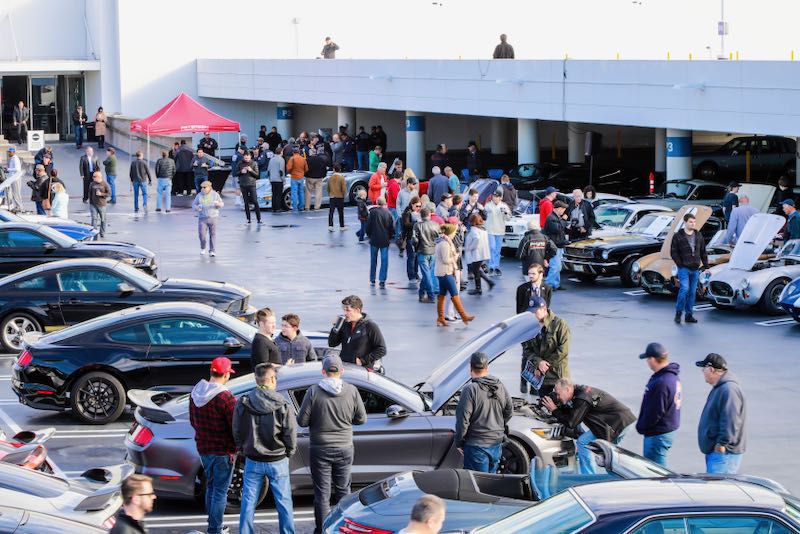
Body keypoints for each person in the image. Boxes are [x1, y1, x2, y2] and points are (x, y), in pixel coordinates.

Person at [297, 355, 367, 534]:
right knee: (343, 491)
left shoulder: (313, 391)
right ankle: (343, 529)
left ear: (323, 371)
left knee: (322, 494)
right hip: (344, 447)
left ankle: (322, 530)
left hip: (320, 448)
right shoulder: (351, 390)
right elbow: (362, 418)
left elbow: (302, 421)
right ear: (341, 371)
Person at [233, 363, 297, 534]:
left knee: (248, 501)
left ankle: (245, 532)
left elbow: (236, 429)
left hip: (253, 459)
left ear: (256, 379)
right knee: (283, 501)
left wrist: (241, 449)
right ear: (273, 379)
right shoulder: (282, 404)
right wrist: (289, 451)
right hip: (277, 459)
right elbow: (290, 431)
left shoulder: (244, 401)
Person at [542, 378, 636, 474]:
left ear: (567, 390)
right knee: (600, 450)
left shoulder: (582, 398)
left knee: (602, 451)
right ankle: (602, 474)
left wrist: (554, 410)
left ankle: (590, 476)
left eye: (558, 394)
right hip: (615, 421)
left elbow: (571, 423)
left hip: (619, 423)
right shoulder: (577, 393)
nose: (557, 397)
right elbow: (573, 414)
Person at [189, 357, 237, 534]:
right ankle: (215, 529)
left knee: (210, 486)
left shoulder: (195, 392)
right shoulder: (226, 398)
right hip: (223, 451)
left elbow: (193, 421)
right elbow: (235, 427)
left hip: (203, 448)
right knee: (220, 492)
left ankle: (213, 523)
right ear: (225, 375)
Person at [454, 352, 512, 472]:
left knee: (478, 485)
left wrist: (459, 442)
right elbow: (509, 411)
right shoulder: (500, 386)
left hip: (477, 446)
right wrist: (496, 425)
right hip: (496, 443)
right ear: (487, 367)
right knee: (491, 483)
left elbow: (463, 420)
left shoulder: (470, 390)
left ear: (470, 368)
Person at [696, 353, 747, 474]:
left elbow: (731, 420)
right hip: (718, 453)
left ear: (711, 369)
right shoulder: (720, 388)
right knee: (716, 489)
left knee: (719, 490)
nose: (702, 372)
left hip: (724, 454)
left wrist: (722, 444)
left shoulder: (728, 390)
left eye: (704, 369)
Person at [635, 342, 682, 467]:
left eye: (647, 359)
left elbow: (655, 411)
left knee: (655, 473)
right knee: (658, 470)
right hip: (665, 431)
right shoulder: (671, 377)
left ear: (653, 359)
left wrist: (642, 427)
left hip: (657, 434)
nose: (647, 362)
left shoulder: (662, 382)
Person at [521, 296, 569, 396]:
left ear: (544, 309)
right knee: (542, 405)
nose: (533, 314)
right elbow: (526, 349)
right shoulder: (530, 327)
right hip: (541, 379)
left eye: (535, 311)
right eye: (531, 312)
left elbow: (563, 350)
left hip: (558, 377)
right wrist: (538, 362)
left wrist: (545, 364)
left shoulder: (560, 325)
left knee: (559, 406)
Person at [327, 295, 387, 370]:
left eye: (348, 310)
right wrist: (335, 328)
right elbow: (332, 343)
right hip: (345, 368)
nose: (345, 313)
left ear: (357, 310)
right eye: (344, 310)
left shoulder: (370, 326)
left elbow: (382, 349)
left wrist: (362, 360)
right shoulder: (345, 324)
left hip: (361, 371)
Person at [670, 212, 709, 324]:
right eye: (691, 222)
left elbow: (703, 252)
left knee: (692, 292)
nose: (693, 224)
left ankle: (689, 315)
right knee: (684, 289)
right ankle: (678, 313)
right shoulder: (678, 236)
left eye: (694, 222)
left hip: (695, 269)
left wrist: (706, 266)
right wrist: (680, 264)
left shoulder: (698, 235)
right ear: (685, 222)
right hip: (684, 269)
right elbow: (673, 252)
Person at [435, 223, 474, 326]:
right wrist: (455, 257)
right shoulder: (445, 244)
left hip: (442, 272)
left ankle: (441, 318)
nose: (454, 234)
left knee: (442, 295)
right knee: (454, 294)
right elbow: (446, 259)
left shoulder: (444, 242)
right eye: (453, 233)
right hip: (445, 272)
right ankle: (464, 316)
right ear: (450, 233)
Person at [414, 207, 441, 303]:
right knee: (427, 273)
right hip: (432, 251)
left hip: (422, 251)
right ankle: (421, 293)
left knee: (427, 274)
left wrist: (416, 247)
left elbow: (414, 239)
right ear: (429, 215)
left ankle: (431, 295)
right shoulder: (435, 225)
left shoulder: (418, 225)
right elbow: (439, 237)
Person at [366, 197, 395, 288]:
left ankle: (372, 278)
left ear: (377, 203)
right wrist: (389, 237)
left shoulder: (373, 213)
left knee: (373, 260)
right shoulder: (388, 214)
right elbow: (392, 228)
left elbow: (368, 226)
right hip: (384, 239)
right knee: (384, 260)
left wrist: (370, 235)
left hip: (374, 239)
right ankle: (382, 279)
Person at [464, 214, 494, 295]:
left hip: (477, 253)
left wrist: (470, 247)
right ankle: (487, 284)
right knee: (476, 270)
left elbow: (476, 239)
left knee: (475, 270)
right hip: (483, 253)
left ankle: (480, 288)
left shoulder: (474, 230)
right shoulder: (483, 229)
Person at [193, 180, 224, 256]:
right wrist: (197, 208)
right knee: (201, 234)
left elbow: (222, 203)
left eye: (204, 187)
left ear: (209, 187)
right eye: (202, 187)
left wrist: (218, 205)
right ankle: (203, 247)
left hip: (213, 217)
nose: (203, 189)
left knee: (213, 234)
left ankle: (212, 250)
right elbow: (193, 205)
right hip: (202, 218)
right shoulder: (199, 195)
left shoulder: (215, 195)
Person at [543, 200, 569, 290]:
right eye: (563, 209)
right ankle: (548, 285)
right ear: (557, 209)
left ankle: (556, 284)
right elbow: (557, 229)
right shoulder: (551, 218)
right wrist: (564, 220)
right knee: (555, 266)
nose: (564, 211)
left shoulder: (555, 217)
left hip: (558, 245)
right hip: (554, 246)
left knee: (558, 266)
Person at [484, 190, 511, 276]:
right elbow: (485, 213)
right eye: (494, 196)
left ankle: (496, 266)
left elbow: (508, 218)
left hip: (500, 230)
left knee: (497, 250)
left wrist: (505, 213)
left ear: (500, 197)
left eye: (497, 197)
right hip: (490, 230)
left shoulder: (504, 206)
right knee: (492, 247)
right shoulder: (488, 205)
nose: (495, 198)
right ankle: (491, 266)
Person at [401, 196, 422, 281]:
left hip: (417, 237)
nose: (418, 208)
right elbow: (406, 224)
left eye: (420, 206)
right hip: (410, 237)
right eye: (416, 206)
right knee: (411, 257)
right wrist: (416, 222)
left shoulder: (418, 213)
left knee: (416, 257)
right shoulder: (407, 212)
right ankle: (411, 275)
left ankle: (416, 274)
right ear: (412, 204)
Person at [237, 151, 261, 224]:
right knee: (246, 202)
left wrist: (251, 171)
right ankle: (248, 219)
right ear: (243, 157)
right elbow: (235, 173)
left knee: (255, 201)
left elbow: (257, 175)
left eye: (248, 157)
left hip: (251, 184)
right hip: (243, 185)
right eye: (245, 157)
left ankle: (258, 218)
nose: (246, 158)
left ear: (250, 157)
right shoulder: (240, 163)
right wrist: (241, 171)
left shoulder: (254, 163)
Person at [88, 171, 111, 238]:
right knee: (94, 219)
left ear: (99, 177)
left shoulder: (104, 184)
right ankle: (94, 233)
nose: (93, 178)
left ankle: (102, 232)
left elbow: (109, 193)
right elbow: (89, 192)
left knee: (103, 219)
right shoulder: (92, 184)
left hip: (102, 205)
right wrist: (90, 201)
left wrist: (101, 194)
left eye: (94, 177)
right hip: (93, 204)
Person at [286, 147, 308, 211]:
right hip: (301, 177)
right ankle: (301, 206)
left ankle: (295, 207)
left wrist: (291, 172)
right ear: (299, 152)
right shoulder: (303, 159)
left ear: (293, 152)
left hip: (294, 177)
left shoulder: (292, 158)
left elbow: (288, 168)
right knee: (301, 192)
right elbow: (306, 169)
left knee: (294, 193)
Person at [326, 163, 347, 231]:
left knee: (331, 212)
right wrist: (343, 195)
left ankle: (330, 225)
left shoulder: (330, 178)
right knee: (340, 212)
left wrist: (330, 193)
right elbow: (343, 188)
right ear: (340, 170)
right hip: (340, 197)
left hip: (332, 196)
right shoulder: (342, 178)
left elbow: (328, 188)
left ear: (334, 169)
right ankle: (342, 226)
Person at [268, 146, 286, 212]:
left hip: (272, 179)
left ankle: (274, 207)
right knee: (279, 194)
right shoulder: (281, 159)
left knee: (274, 194)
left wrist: (269, 179)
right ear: (281, 152)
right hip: (279, 179)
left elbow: (269, 170)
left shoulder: (271, 159)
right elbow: (281, 170)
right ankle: (278, 207)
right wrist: (283, 179)